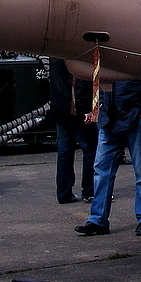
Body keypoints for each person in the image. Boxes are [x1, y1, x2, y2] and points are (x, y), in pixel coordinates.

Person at [74, 80, 141, 237]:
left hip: (132, 117)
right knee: (103, 171)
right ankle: (99, 220)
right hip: (112, 117)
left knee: (139, 172)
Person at [49, 57, 97, 204]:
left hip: (60, 108)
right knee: (90, 149)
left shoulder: (54, 54)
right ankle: (89, 191)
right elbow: (81, 81)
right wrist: (88, 110)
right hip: (76, 110)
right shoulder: (75, 54)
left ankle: (64, 192)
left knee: (65, 152)